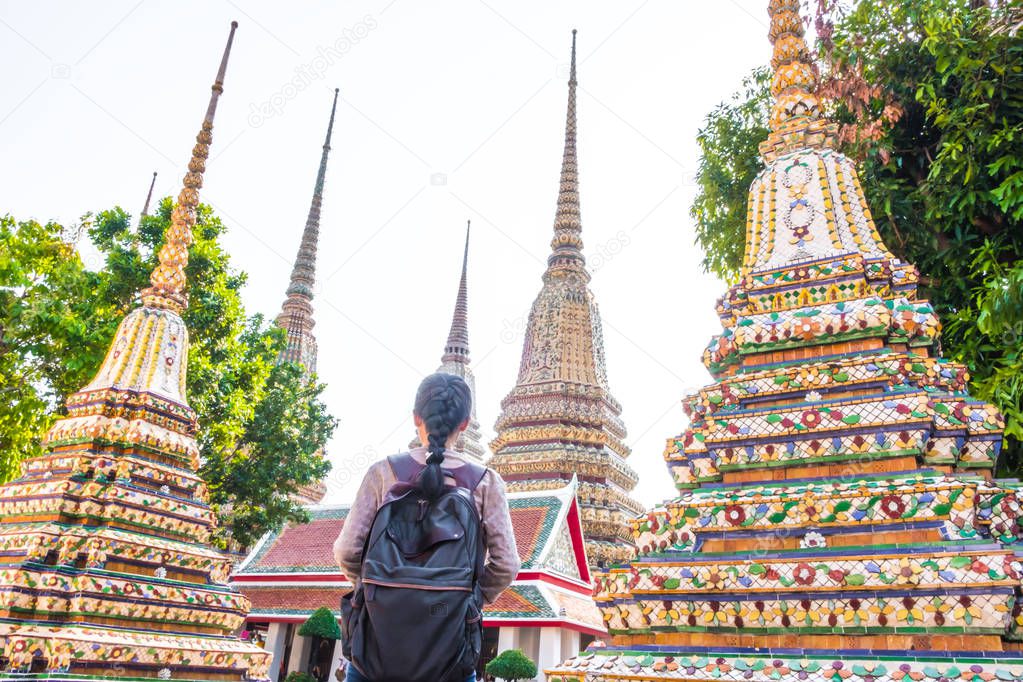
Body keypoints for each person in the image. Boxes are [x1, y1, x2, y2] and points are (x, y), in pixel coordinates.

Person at [333, 373, 519, 682]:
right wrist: (469, 598)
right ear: (464, 423)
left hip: (374, 649)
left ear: (416, 417)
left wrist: (374, 588)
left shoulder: (383, 472)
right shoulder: (485, 482)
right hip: (449, 651)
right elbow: (507, 565)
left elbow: (347, 551)